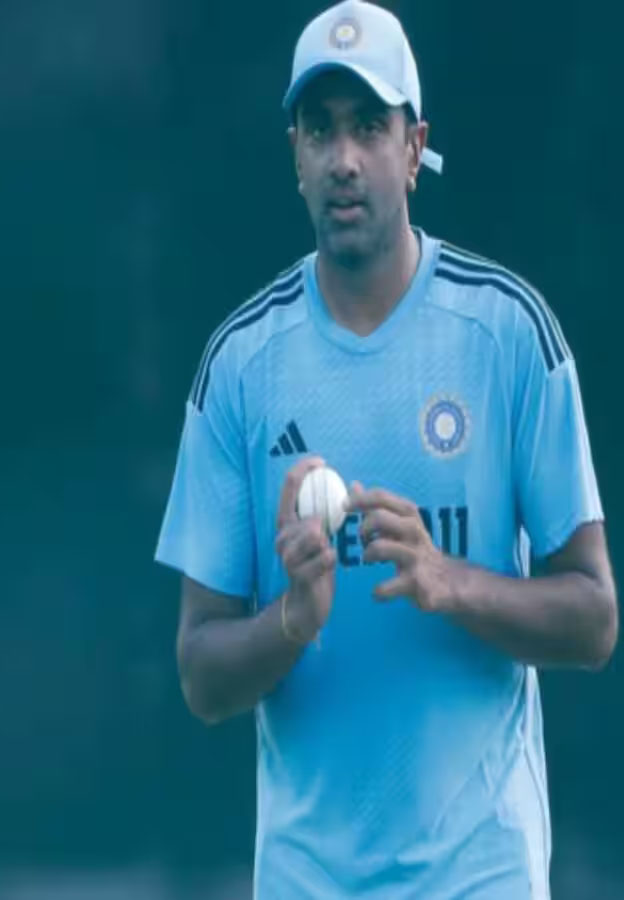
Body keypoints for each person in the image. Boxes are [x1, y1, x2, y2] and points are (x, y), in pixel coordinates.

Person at [156, 1, 616, 896]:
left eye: (370, 126)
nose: (345, 158)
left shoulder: (508, 333)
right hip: (308, 879)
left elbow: (596, 619)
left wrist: (451, 582)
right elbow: (201, 677)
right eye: (320, 129)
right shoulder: (240, 364)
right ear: (295, 155)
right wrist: (291, 621)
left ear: (414, 148)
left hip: (481, 874)